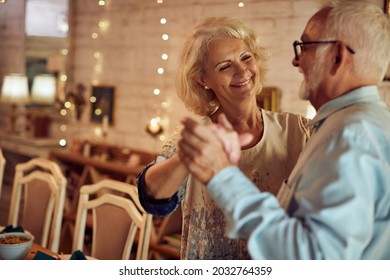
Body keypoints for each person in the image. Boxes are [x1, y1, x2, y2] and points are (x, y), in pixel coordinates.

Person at [178, 0, 390, 259]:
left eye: (306, 46)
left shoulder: (351, 136)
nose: (296, 60)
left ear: (338, 57)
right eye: (224, 65)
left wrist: (223, 176)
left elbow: (313, 261)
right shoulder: (352, 127)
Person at [136, 16, 310, 259]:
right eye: (225, 66)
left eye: (246, 57)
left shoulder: (300, 131)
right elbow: (152, 199)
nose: (242, 71)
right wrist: (188, 158)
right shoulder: (193, 137)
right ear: (203, 80)